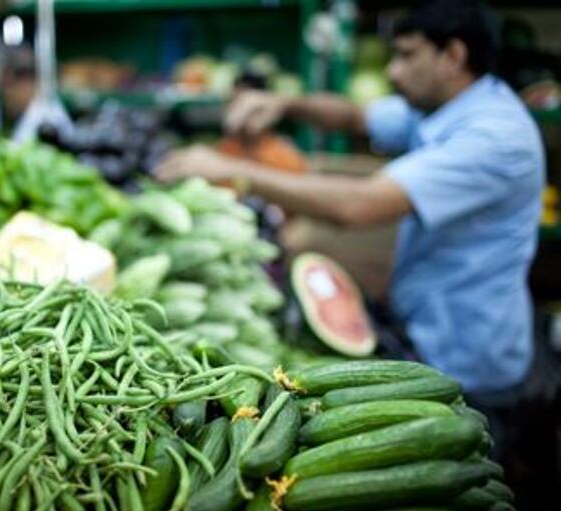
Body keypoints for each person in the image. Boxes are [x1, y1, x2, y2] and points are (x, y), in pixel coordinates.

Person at [155, 0, 546, 399]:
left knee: (468, 449)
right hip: (424, 322)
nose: (393, 71)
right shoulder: (444, 107)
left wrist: (231, 171)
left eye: (407, 56)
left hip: (467, 355)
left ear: (453, 56)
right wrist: (284, 104)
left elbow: (357, 205)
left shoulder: (494, 138)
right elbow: (356, 116)